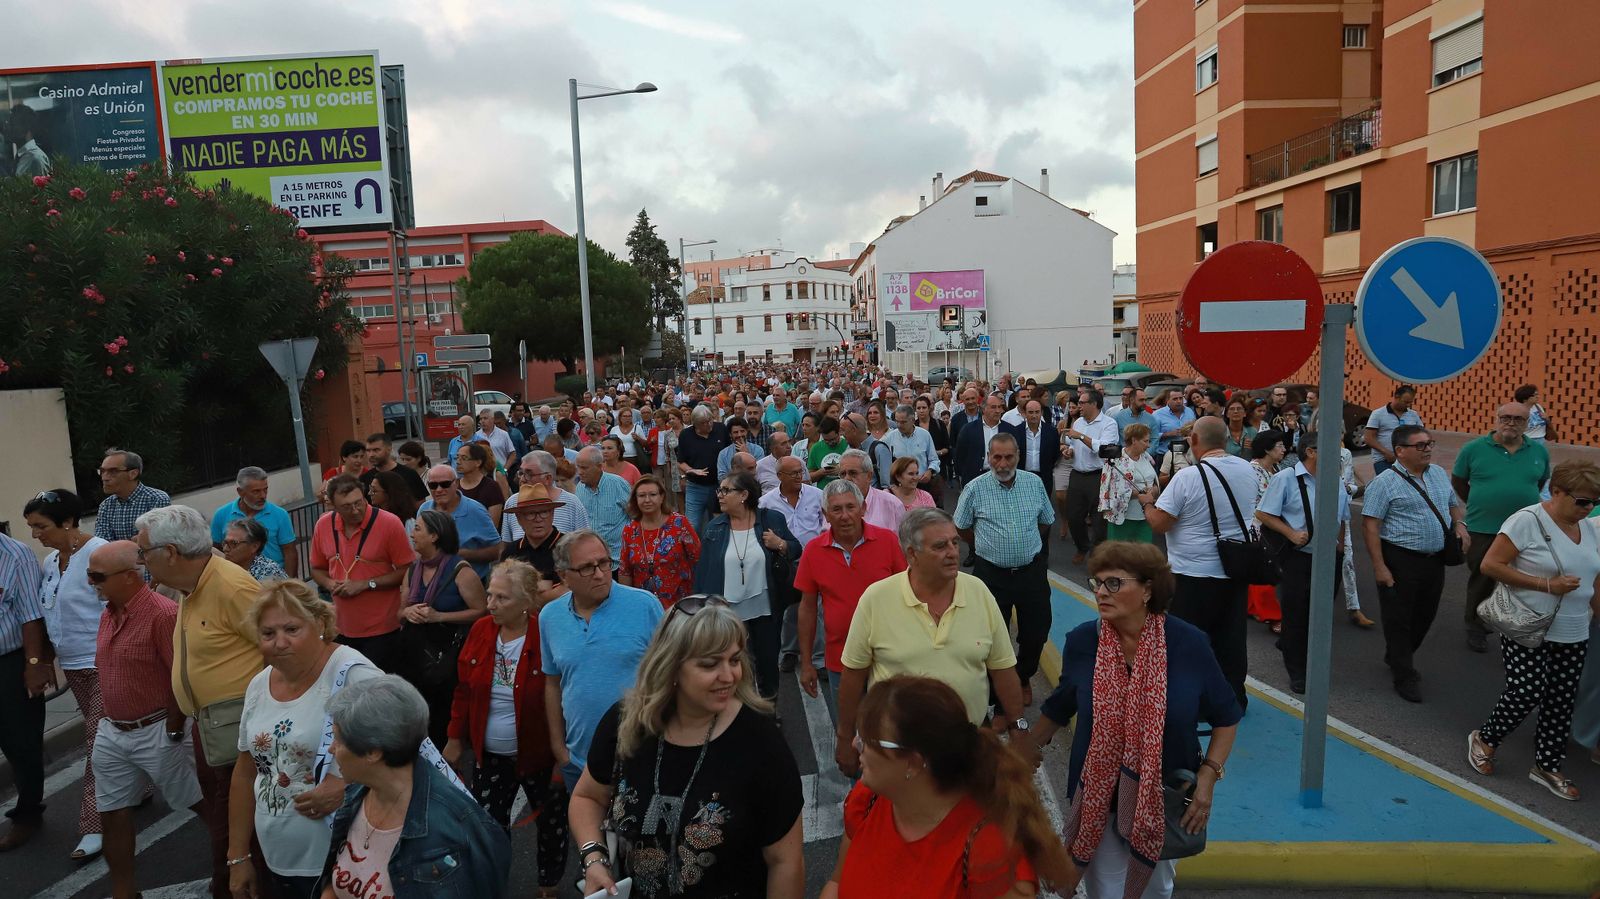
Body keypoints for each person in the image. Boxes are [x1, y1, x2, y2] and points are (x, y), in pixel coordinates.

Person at [1035, 542, 1241, 898]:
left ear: (1148, 590)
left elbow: (1227, 716)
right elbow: (1061, 704)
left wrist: (1208, 776)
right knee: (1107, 893)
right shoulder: (1083, 642)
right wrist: (1020, 752)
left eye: (1114, 583)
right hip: (1098, 797)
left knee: (1156, 891)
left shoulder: (1188, 644)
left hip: (1162, 798)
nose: (1101, 592)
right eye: (1097, 582)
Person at [569, 597, 805, 898]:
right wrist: (594, 858)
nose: (729, 676)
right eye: (710, 664)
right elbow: (588, 796)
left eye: (734, 660)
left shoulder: (762, 744)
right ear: (671, 666)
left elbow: (785, 862)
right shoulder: (627, 722)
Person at [823, 676, 1071, 899]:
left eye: (867, 739)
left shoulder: (989, 851)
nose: (855, 744)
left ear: (913, 763)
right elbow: (837, 883)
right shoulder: (867, 799)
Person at [835, 508, 1031, 777]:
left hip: (968, 747)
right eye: (940, 546)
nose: (952, 552)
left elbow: (1003, 669)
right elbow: (853, 675)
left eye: (955, 543)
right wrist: (845, 738)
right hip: (898, 754)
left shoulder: (978, 592)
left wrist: (1018, 728)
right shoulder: (876, 599)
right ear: (911, 554)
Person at [134, 505, 265, 899]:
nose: (140, 560)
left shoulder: (231, 586)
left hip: (241, 736)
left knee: (237, 838)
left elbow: (285, 651)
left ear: (171, 553)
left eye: (144, 552)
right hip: (214, 730)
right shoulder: (191, 586)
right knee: (230, 830)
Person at [228, 580, 379, 899]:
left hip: (347, 863)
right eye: (268, 633)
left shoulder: (353, 674)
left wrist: (344, 784)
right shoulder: (258, 685)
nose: (279, 642)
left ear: (320, 624)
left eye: (292, 629)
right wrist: (238, 856)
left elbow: (403, 752)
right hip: (278, 858)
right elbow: (245, 772)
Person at [1465, 460, 1600, 801]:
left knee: (1561, 699)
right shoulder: (1527, 521)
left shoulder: (1590, 529)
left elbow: (1594, 579)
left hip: (1574, 628)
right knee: (1526, 691)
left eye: (1594, 502)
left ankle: (1547, 766)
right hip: (1528, 623)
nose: (1588, 508)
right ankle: (1485, 739)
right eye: (1582, 501)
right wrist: (1547, 585)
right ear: (1557, 491)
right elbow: (1491, 564)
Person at [84, 541, 203, 899]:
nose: (91, 582)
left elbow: (181, 675)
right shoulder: (108, 613)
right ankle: (124, 891)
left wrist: (173, 728)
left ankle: (237, 867)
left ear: (130, 577)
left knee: (203, 803)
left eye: (97, 576)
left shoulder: (163, 614)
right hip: (113, 732)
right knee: (112, 813)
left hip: (159, 729)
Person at [320, 676, 510, 899]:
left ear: (373, 752)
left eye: (339, 740)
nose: (331, 749)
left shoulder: (455, 832)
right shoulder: (357, 795)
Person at [445, 560, 568, 897]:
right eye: (490, 595)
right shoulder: (481, 630)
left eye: (502, 598)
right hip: (490, 756)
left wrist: (562, 754)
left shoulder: (547, 633)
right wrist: (454, 737)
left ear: (527, 601)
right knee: (489, 827)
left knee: (551, 823)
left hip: (540, 755)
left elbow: (564, 697)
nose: (491, 605)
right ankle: (492, 884)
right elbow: (464, 690)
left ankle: (549, 884)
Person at [1145, 417, 1259, 710]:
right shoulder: (1247, 469)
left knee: (1187, 642)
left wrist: (1147, 503)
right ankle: (1232, 699)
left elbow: (1160, 523)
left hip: (1192, 574)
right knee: (1231, 640)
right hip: (1235, 570)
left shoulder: (1187, 477)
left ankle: (1190, 702)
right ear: (1225, 440)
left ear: (1194, 440)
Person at [541, 530, 666, 791]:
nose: (599, 574)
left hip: (640, 756)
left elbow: (670, 674)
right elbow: (553, 683)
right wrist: (559, 749)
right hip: (579, 762)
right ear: (563, 576)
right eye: (587, 568)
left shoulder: (645, 605)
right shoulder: (550, 616)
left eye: (604, 563)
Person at [22, 490, 108, 860]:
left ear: (68, 521)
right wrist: (42, 661)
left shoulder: (99, 553)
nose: (35, 534)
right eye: (31, 527)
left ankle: (93, 824)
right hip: (73, 665)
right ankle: (139, 787)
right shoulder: (50, 561)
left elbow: (118, 606)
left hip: (104, 663)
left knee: (97, 744)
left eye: (41, 526)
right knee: (108, 737)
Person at [1361, 424, 1468, 703]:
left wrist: (1461, 525)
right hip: (1401, 559)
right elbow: (1371, 525)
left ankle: (1398, 655)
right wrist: (1379, 566)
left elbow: (1451, 504)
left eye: (1430, 443)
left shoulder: (1438, 474)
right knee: (1399, 620)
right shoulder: (1384, 483)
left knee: (1425, 615)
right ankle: (1404, 674)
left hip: (1435, 560)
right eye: (1420, 445)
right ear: (1400, 451)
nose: (1428, 449)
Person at [954, 434, 1056, 705]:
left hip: (1031, 573)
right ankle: (998, 689)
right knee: (989, 636)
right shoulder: (974, 488)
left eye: (1009, 457)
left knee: (1036, 632)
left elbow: (1046, 521)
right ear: (988, 457)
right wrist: (984, 546)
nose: (1002, 464)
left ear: (1018, 456)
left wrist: (1024, 543)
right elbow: (961, 527)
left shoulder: (1034, 483)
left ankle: (1022, 677)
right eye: (996, 457)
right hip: (991, 575)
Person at [796, 481, 908, 714]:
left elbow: (908, 593)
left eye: (851, 507)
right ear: (826, 514)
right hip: (841, 659)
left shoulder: (887, 541)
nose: (845, 516)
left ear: (863, 508)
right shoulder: (813, 551)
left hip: (889, 656)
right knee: (847, 727)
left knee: (890, 726)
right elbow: (807, 609)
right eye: (836, 509)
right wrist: (806, 663)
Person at [1255, 432, 1351, 694]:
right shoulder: (1286, 478)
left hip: (1328, 557)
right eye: (1332, 448)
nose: (1339, 454)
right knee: (1296, 613)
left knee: (1320, 613)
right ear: (1311, 452)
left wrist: (1340, 548)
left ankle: (1296, 647)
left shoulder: (1335, 480)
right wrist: (1291, 533)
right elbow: (1263, 513)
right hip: (1297, 557)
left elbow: (1342, 516)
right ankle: (1298, 670)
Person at [1453, 403, 1552, 653]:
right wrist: (1482, 503)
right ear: (1496, 419)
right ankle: (1475, 625)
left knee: (1521, 579)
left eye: (1518, 419)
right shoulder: (1473, 449)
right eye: (1506, 417)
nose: (1511, 423)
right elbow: (1459, 481)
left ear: (1527, 423)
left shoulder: (1538, 451)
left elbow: (1540, 483)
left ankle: (1517, 625)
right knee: (1483, 579)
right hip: (1483, 527)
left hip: (1525, 530)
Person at [693, 471, 801, 700]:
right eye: (719, 490)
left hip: (765, 610)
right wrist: (702, 608)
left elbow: (795, 548)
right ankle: (745, 711)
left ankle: (770, 710)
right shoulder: (714, 528)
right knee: (737, 667)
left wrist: (780, 544)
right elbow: (703, 572)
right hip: (729, 613)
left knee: (767, 664)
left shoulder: (772, 520)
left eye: (726, 490)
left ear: (744, 495)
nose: (719, 495)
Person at [399, 511, 488, 747]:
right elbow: (399, 612)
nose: (412, 534)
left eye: (418, 529)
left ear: (435, 536)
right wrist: (408, 612)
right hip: (415, 657)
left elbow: (481, 611)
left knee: (442, 716)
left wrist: (439, 616)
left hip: (447, 659)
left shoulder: (461, 571)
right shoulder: (412, 569)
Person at [310, 475, 416, 673]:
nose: (355, 510)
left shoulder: (389, 523)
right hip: (340, 627)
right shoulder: (323, 525)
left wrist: (367, 584)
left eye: (359, 502)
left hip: (382, 629)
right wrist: (330, 584)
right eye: (346, 506)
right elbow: (317, 569)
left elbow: (407, 570)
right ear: (333, 506)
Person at [619, 475, 703, 608]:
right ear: (635, 499)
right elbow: (625, 571)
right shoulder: (629, 529)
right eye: (641, 496)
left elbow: (698, 559)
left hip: (680, 605)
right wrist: (626, 604)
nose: (647, 500)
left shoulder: (679, 523)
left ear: (662, 497)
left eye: (652, 495)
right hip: (644, 606)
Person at [1062, 391, 1120, 564]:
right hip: (1077, 475)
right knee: (1073, 516)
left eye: (1082, 402)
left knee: (1099, 520)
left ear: (1094, 404)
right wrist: (1069, 451)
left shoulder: (1109, 423)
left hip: (1098, 476)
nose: (1078, 405)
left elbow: (1104, 449)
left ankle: (1097, 555)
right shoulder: (1079, 422)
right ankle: (1082, 546)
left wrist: (1080, 436)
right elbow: (1073, 445)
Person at [419, 463, 503, 580]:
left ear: (456, 483)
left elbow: (497, 550)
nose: (439, 490)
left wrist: (461, 554)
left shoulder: (475, 510)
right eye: (433, 485)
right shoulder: (424, 510)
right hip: (433, 582)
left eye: (445, 484)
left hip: (471, 582)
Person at [209, 467, 299, 573]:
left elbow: (290, 552)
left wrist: (288, 582)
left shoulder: (280, 514)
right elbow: (216, 550)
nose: (263, 496)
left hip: (273, 579)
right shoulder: (221, 514)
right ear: (240, 492)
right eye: (256, 491)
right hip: (237, 578)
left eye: (265, 489)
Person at [1245, 430, 1289, 634]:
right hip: (1256, 527)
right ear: (1267, 449)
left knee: (1258, 571)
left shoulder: (1275, 468)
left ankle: (1252, 607)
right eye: (1279, 446)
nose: (1284, 449)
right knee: (1265, 572)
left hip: (1270, 526)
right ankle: (1273, 616)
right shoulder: (1252, 471)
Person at [501, 451, 590, 545]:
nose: (522, 479)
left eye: (529, 474)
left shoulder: (572, 503)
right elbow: (506, 545)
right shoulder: (512, 503)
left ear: (548, 478)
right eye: (521, 473)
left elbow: (585, 544)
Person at [1098, 423, 1159, 544]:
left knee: (1144, 553)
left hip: (1145, 516)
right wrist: (1139, 494)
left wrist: (1154, 490)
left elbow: (1154, 481)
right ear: (1134, 440)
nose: (1148, 445)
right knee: (1119, 553)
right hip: (1122, 518)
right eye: (1145, 441)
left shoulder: (1147, 457)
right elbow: (1107, 489)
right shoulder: (1115, 460)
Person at [94, 449, 171, 542]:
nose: (104, 477)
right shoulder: (106, 506)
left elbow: (156, 540)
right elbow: (102, 543)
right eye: (102, 471)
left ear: (133, 474)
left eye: (113, 471)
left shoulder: (156, 499)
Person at [1364, 384, 1423, 477]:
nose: (1408, 405)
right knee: (1388, 483)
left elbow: (1422, 435)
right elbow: (1369, 438)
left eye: (1410, 402)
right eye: (1405, 402)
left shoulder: (1413, 415)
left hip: (1407, 460)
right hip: (1384, 460)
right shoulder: (1378, 414)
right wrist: (1386, 453)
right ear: (1396, 397)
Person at [454, 442, 506, 529]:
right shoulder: (454, 486)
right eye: (457, 457)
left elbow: (492, 525)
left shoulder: (492, 487)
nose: (458, 462)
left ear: (478, 462)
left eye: (464, 458)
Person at [222, 517, 289, 581]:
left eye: (234, 543)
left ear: (254, 546)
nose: (225, 549)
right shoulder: (226, 567)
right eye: (225, 542)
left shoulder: (270, 574)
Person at [365, 468, 420, 535]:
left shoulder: (408, 523)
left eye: (374, 491)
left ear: (389, 493)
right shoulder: (372, 517)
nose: (369, 493)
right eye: (370, 489)